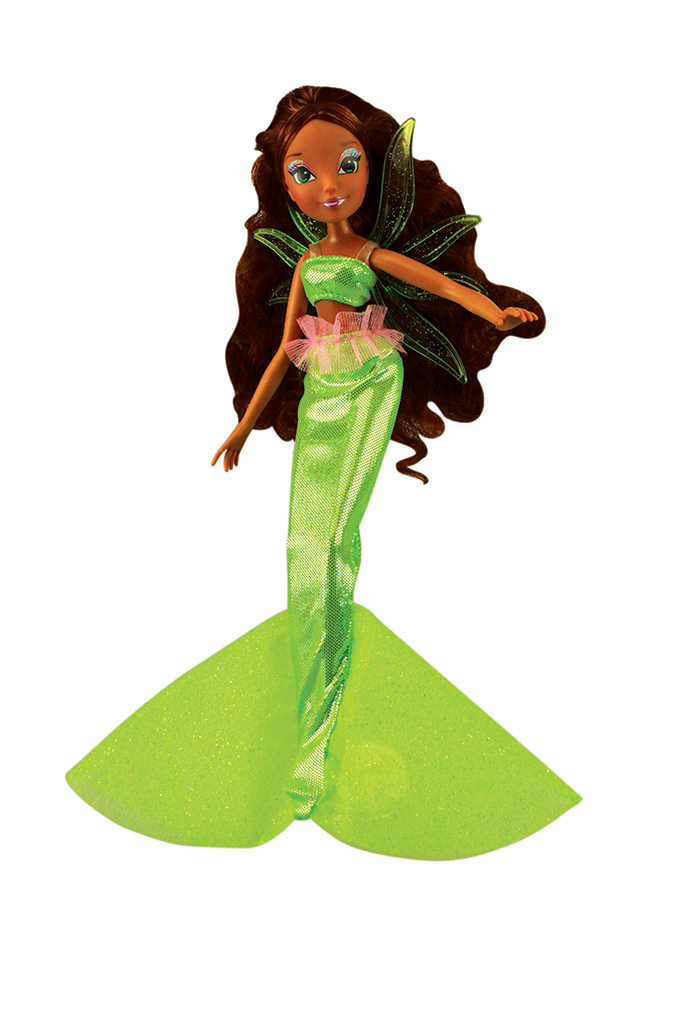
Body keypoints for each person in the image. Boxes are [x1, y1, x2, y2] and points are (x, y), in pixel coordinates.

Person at [65, 87, 580, 860]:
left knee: (337, 531)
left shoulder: (365, 254)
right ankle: (314, 694)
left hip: (369, 378)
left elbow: (438, 285)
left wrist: (494, 311)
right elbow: (281, 348)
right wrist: (243, 424)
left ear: (371, 171)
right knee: (305, 540)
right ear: (284, 185)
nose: (327, 185)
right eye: (303, 173)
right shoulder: (307, 259)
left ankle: (325, 713)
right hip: (321, 386)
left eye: (345, 165)